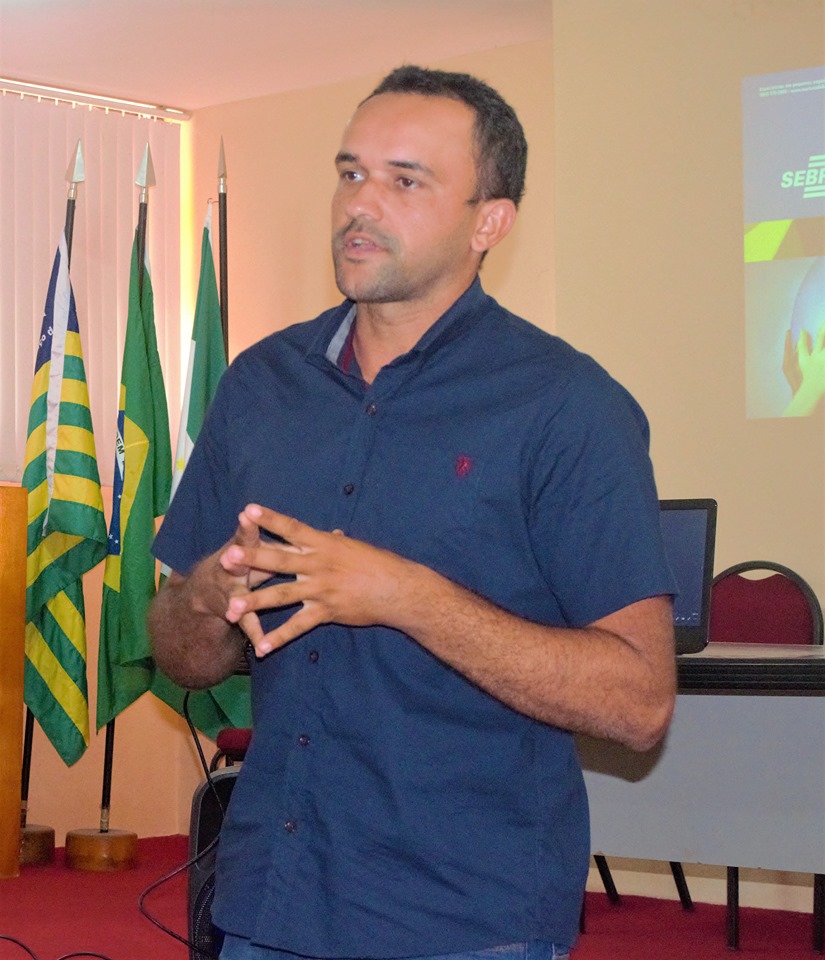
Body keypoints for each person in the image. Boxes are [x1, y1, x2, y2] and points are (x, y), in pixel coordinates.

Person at [149, 65, 677, 960]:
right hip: (270, 903)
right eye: (350, 173)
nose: (360, 204)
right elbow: (180, 657)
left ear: (489, 222)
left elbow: (638, 702)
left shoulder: (564, 406)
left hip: (463, 919)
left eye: (405, 180)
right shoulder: (261, 385)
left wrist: (405, 595)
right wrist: (208, 592)